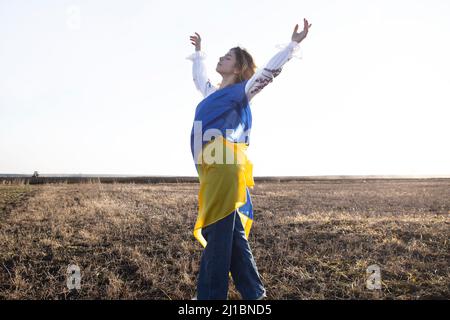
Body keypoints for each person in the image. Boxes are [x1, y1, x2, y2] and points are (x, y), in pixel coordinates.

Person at [186, 18, 312, 300]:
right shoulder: (215, 93)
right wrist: (198, 54)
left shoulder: (242, 91)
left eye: (227, 56)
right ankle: (254, 294)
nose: (222, 57)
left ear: (239, 68)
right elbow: (199, 80)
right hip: (214, 167)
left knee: (217, 229)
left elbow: (269, 71)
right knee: (230, 232)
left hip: (223, 165)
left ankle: (208, 298)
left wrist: (292, 44)